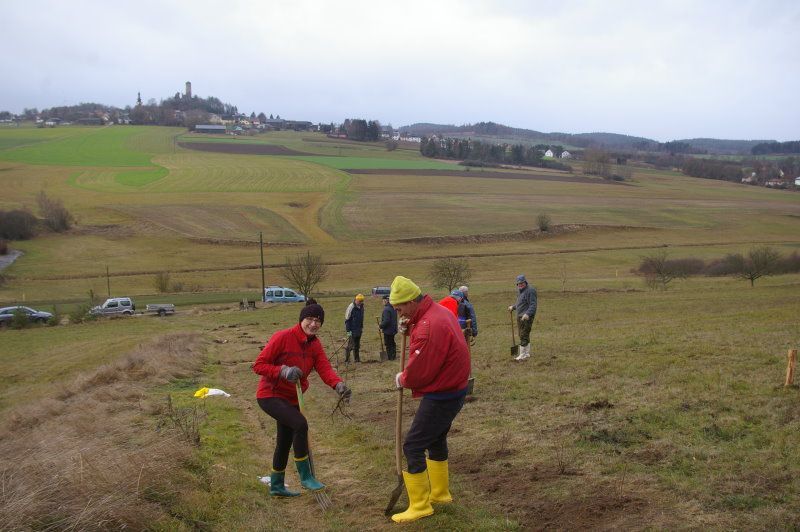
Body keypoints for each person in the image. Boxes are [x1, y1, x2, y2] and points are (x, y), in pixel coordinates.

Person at [389, 276, 470, 523]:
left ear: (413, 301)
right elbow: (427, 337)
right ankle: (440, 493)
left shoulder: (427, 326)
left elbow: (420, 370)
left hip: (443, 392)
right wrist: (409, 326)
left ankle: (421, 505)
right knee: (436, 439)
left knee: (413, 445)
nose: (397, 311)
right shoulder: (437, 311)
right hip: (455, 386)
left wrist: (403, 378)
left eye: (400, 307)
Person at [252, 299, 352, 497]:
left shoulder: (315, 345)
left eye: (318, 320)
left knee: (285, 440)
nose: (313, 324)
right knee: (300, 424)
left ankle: (277, 486)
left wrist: (337, 384)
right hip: (270, 395)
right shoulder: (283, 337)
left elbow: (324, 368)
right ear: (301, 320)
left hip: (292, 398)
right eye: (309, 319)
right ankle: (306, 477)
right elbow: (258, 365)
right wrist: (283, 371)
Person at [508, 274, 537, 361]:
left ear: (525, 282)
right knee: (523, 334)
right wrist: (513, 307)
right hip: (520, 316)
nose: (520, 285)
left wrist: (527, 314)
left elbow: (533, 304)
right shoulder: (520, 291)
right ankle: (527, 353)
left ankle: (522, 355)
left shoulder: (530, 291)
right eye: (519, 284)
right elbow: (520, 303)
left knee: (523, 334)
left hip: (526, 317)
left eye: (522, 283)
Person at [344, 293, 365, 363]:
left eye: (361, 301)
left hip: (358, 330)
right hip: (351, 330)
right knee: (350, 345)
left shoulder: (362, 307)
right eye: (359, 301)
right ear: (356, 300)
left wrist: (361, 327)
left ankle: (357, 359)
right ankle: (347, 359)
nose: (360, 303)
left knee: (357, 345)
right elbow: (347, 320)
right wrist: (348, 332)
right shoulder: (351, 307)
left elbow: (361, 318)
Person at [379, 294, 398, 361]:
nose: (382, 302)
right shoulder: (393, 307)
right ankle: (393, 355)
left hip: (388, 330)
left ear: (386, 300)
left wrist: (380, 326)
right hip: (393, 329)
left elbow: (386, 321)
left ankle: (390, 357)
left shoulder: (386, 309)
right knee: (392, 342)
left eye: (383, 300)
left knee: (388, 343)